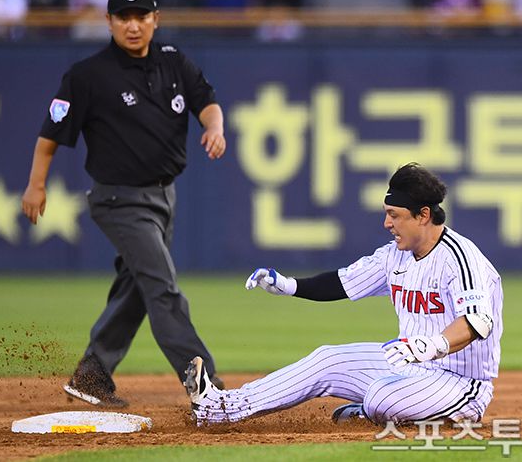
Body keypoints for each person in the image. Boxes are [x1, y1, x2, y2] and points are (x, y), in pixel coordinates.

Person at [22, 0, 226, 408]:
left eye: (141, 16)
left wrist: (214, 127)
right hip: (119, 200)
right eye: (123, 17)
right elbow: (50, 134)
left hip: (163, 197)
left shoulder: (174, 62)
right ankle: (208, 389)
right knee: (163, 289)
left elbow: (206, 100)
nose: (133, 26)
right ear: (109, 22)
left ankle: (92, 376)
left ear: (155, 19)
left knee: (137, 287)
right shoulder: (88, 75)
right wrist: (36, 184)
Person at [185, 163, 502, 426]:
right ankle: (219, 408)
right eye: (386, 213)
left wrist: (432, 345)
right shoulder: (395, 255)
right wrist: (289, 285)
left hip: (460, 381)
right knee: (328, 360)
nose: (387, 223)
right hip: (411, 366)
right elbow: (342, 282)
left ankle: (397, 412)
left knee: (380, 397)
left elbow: (478, 322)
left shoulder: (460, 257)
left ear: (423, 215)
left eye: (394, 215)